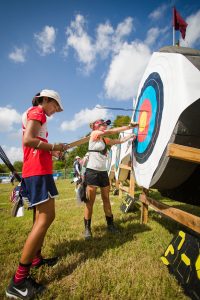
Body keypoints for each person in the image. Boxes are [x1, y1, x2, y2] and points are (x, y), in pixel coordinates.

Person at [6, 89, 69, 299]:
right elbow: (29, 140)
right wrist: (53, 146)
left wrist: (53, 151)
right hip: (37, 171)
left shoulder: (36, 114)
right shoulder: (37, 112)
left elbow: (37, 144)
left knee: (39, 218)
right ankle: (18, 281)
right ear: (47, 100)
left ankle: (36, 259)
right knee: (46, 217)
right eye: (55, 107)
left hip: (39, 169)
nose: (56, 111)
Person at [83, 119, 139, 239]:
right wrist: (129, 126)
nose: (104, 126)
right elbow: (111, 131)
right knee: (90, 202)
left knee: (106, 199)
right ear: (95, 127)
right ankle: (87, 228)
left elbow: (118, 140)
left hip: (103, 172)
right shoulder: (94, 134)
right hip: (92, 171)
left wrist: (130, 136)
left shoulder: (104, 139)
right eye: (102, 124)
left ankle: (111, 225)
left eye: (105, 124)